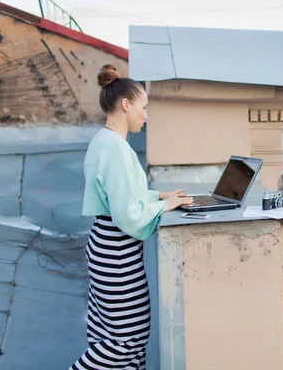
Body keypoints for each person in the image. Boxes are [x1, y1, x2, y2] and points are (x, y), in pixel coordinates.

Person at [69, 65, 193, 370]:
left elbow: (118, 199)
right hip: (117, 253)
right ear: (126, 105)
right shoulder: (116, 149)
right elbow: (127, 214)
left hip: (104, 245)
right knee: (128, 341)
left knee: (105, 333)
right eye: (143, 107)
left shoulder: (104, 140)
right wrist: (165, 207)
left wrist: (158, 196)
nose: (146, 115)